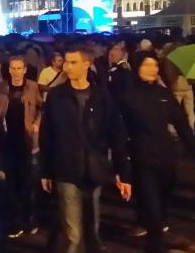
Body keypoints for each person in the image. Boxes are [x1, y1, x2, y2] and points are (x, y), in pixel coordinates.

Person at [39, 45, 132, 253]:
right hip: (67, 169)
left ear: (86, 64)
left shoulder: (102, 97)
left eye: (73, 62)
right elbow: (48, 134)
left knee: (92, 229)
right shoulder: (57, 96)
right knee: (73, 235)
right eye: (66, 62)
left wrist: (122, 172)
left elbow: (116, 135)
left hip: (94, 169)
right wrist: (46, 170)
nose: (67, 67)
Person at [118, 52, 195, 253]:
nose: (152, 69)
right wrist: (121, 169)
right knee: (153, 215)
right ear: (136, 67)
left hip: (166, 159)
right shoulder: (127, 96)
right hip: (141, 160)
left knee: (161, 212)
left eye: (154, 65)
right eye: (146, 65)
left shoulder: (163, 95)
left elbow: (184, 129)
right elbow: (118, 134)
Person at [0, 56, 42, 239]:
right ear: (9, 70)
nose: (15, 71)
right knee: (11, 184)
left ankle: (30, 218)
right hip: (8, 141)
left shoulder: (32, 87)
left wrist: (37, 123)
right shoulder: (1, 88)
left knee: (28, 183)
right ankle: (16, 221)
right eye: (13, 68)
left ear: (24, 70)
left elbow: (41, 107)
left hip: (26, 140)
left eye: (19, 68)